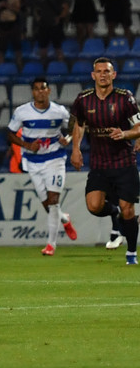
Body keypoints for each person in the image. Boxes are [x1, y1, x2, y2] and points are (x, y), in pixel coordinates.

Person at [70, 57, 140, 265]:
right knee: (94, 205)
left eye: (107, 71)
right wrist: (75, 149)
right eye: (99, 71)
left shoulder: (125, 98)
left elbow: (139, 126)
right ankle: (115, 212)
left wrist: (126, 135)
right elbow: (79, 125)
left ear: (113, 75)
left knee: (129, 209)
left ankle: (131, 253)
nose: (103, 75)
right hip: (99, 164)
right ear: (93, 75)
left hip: (123, 162)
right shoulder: (83, 99)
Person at [7, 78, 77, 256]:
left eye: (43, 88)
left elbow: (73, 127)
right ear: (32, 92)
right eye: (36, 89)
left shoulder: (58, 111)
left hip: (55, 159)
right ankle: (64, 218)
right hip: (32, 162)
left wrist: (67, 139)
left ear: (49, 91)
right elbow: (10, 133)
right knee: (47, 204)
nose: (40, 92)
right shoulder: (22, 112)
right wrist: (27, 145)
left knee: (53, 201)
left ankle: (51, 245)